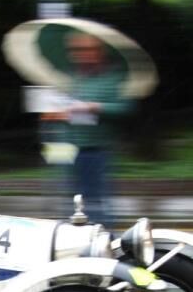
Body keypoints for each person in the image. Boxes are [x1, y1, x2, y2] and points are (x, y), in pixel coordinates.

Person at [39, 32, 133, 227]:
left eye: (88, 49)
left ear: (100, 52)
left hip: (95, 149)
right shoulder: (67, 78)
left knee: (95, 204)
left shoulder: (112, 78)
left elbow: (126, 107)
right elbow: (54, 110)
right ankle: (72, 247)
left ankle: (104, 244)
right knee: (69, 202)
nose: (82, 54)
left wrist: (95, 107)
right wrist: (52, 114)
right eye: (77, 50)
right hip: (64, 148)